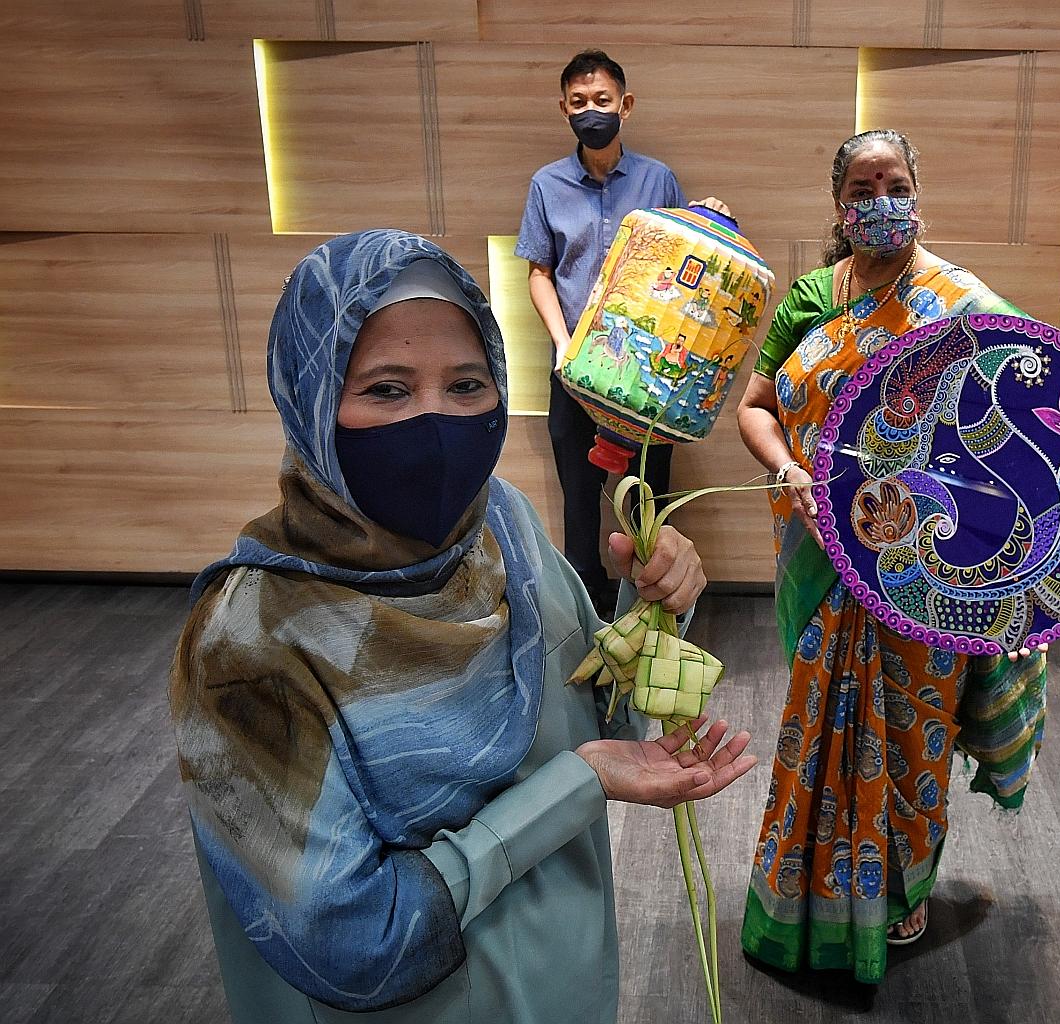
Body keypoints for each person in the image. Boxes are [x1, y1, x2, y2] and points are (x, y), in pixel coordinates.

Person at [168, 229, 756, 1023]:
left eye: (467, 383)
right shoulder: (252, 642)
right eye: (386, 389)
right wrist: (576, 787)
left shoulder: (503, 532)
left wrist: (649, 603)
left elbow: (609, 720)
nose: (436, 421)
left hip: (570, 984)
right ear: (310, 400)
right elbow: (355, 945)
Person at [735, 129, 1047, 984]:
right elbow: (756, 407)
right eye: (864, 188)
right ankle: (804, 891)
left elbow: (1032, 397)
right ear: (841, 207)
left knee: (916, 727)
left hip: (926, 561)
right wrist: (787, 464)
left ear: (919, 190)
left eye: (896, 183)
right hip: (824, 548)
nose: (882, 202)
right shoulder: (809, 298)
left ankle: (903, 882)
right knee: (818, 720)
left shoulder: (959, 299)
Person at [517, 48, 729, 610]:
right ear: (564, 108)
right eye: (579, 102)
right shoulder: (545, 185)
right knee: (580, 502)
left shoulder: (659, 179)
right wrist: (563, 345)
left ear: (625, 106)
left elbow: (688, 263)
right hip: (573, 368)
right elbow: (539, 272)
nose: (592, 110)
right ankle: (586, 620)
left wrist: (709, 213)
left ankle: (647, 618)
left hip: (647, 376)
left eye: (602, 101)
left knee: (647, 501)